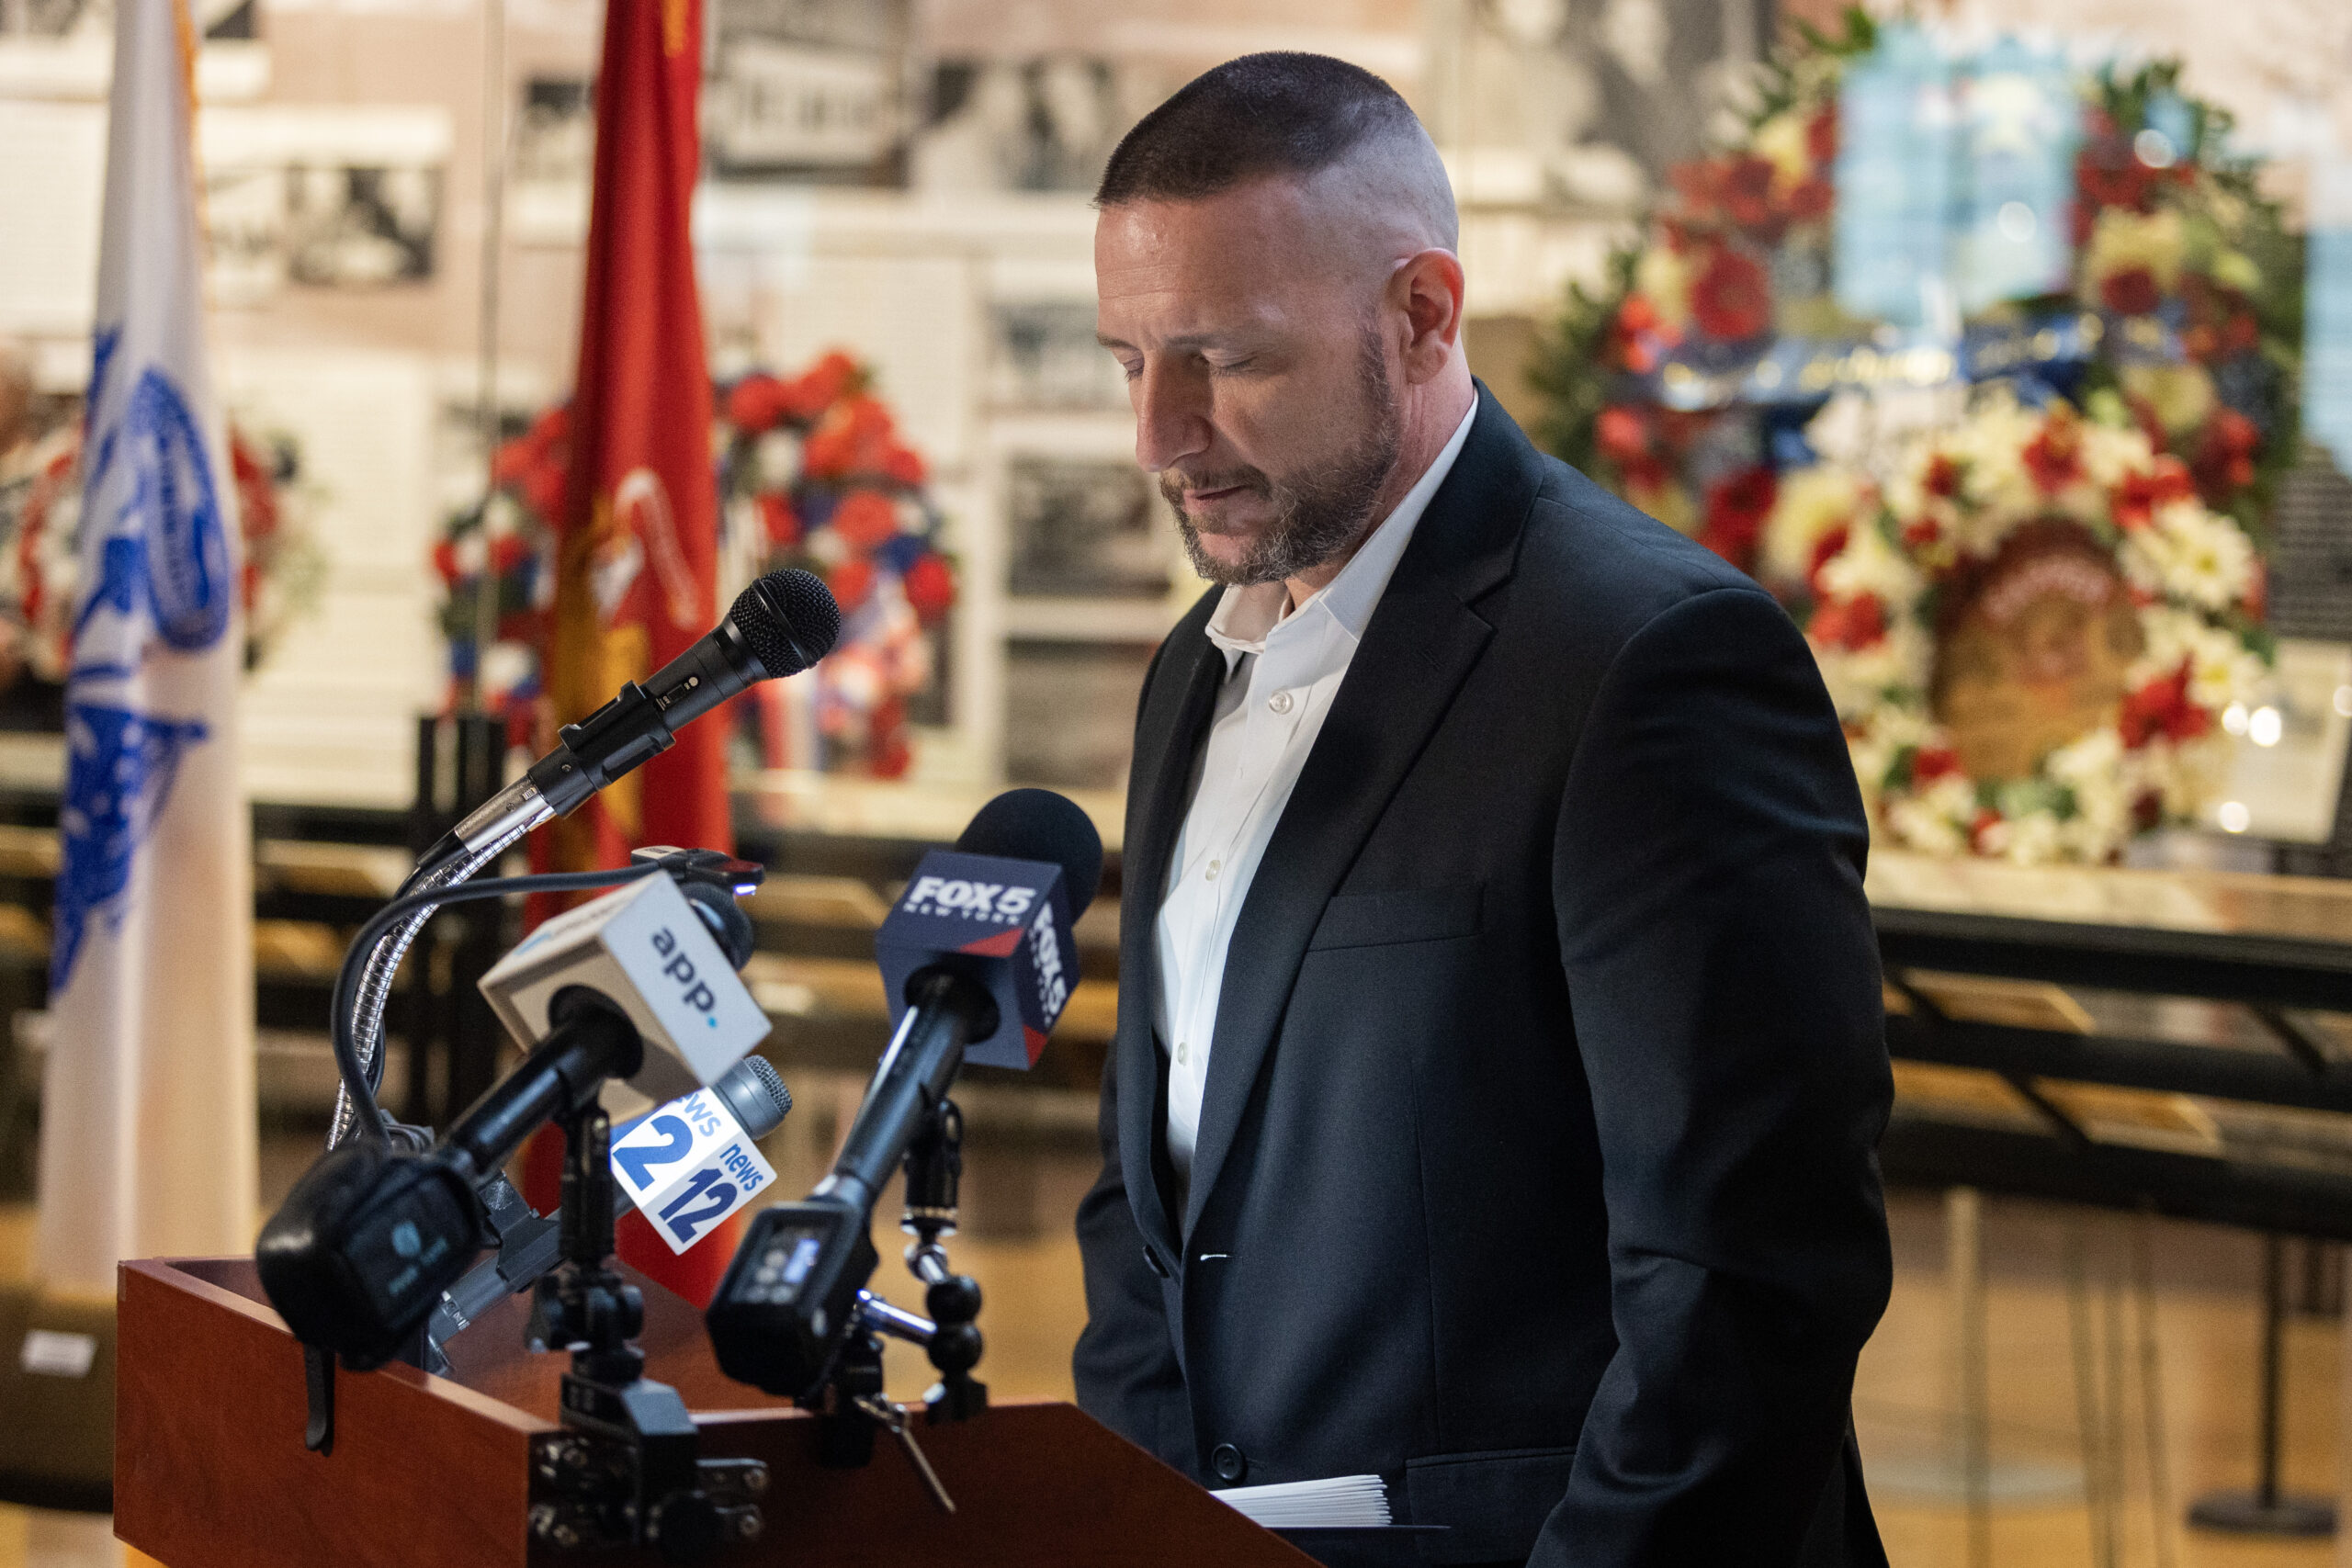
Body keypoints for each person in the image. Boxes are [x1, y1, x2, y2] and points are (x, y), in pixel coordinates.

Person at [1073, 53, 1894, 1568]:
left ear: (1422, 315)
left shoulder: (1653, 663)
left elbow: (1745, 1281)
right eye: (1128, 360)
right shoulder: (1198, 664)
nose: (1159, 435)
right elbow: (1151, 1190)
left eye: (1226, 360)